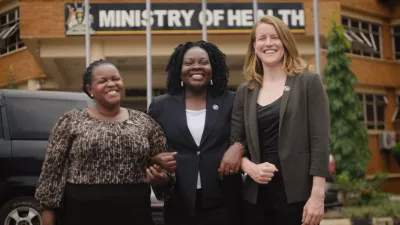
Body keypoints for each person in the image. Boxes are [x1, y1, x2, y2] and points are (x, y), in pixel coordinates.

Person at [35, 59, 173, 225]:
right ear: (90, 89)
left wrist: (162, 178)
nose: (111, 84)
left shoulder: (145, 122)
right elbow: (51, 176)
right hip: (80, 214)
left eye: (116, 79)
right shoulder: (70, 120)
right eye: (103, 81)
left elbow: (166, 172)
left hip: (134, 213)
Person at [230, 15, 333, 225]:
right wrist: (251, 168)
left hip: (298, 196)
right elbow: (235, 143)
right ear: (254, 46)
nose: (268, 43)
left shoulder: (308, 81)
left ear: (285, 41)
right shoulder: (245, 91)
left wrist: (317, 195)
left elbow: (320, 141)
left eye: (274, 37)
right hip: (255, 198)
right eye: (262, 38)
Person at [147, 41, 244, 225]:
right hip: (179, 203)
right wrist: (155, 163)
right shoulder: (161, 105)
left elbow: (250, 135)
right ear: (179, 69)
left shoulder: (232, 100)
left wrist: (239, 147)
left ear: (213, 67)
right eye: (189, 62)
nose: (197, 67)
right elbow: (151, 150)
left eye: (203, 62)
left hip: (226, 202)